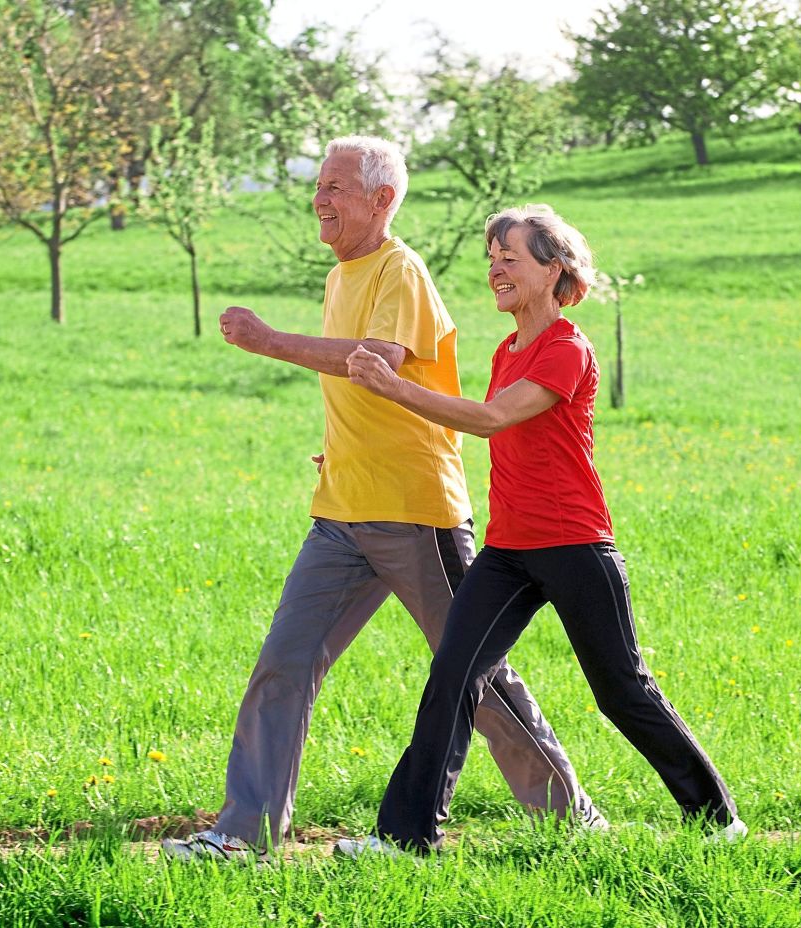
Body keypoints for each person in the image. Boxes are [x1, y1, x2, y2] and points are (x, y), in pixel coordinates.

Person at [161, 140, 603, 863]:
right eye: (318, 186)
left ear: (381, 200)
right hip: (340, 510)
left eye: (335, 187)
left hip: (415, 511)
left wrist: (270, 341)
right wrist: (343, 449)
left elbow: (377, 363)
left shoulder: (401, 270)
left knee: (474, 675)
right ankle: (243, 835)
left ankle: (569, 818)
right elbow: (361, 385)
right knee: (285, 663)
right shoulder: (343, 275)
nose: (320, 200)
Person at [338, 204, 745, 856]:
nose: (496, 269)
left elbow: (493, 418)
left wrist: (391, 387)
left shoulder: (566, 349)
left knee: (621, 691)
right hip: (508, 550)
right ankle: (407, 835)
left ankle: (717, 819)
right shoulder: (507, 348)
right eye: (491, 258)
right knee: (453, 676)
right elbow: (470, 419)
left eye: (511, 258)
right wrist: (357, 453)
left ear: (554, 269)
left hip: (575, 546)